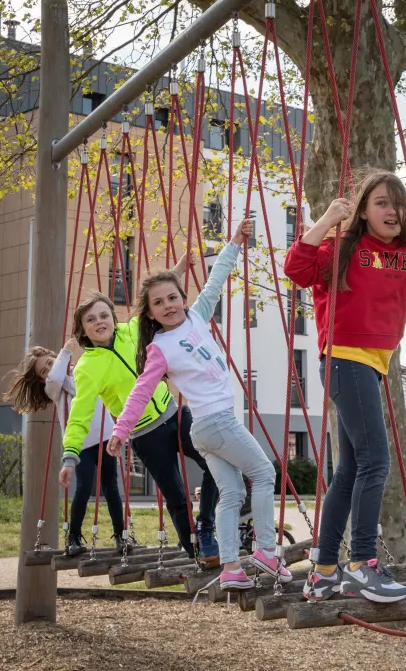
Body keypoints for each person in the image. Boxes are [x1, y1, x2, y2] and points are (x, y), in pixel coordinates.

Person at [284, 169, 406, 604]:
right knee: (376, 461)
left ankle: (324, 571)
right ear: (363, 209)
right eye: (382, 202)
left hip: (373, 366)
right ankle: (364, 564)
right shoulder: (342, 248)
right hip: (345, 358)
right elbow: (297, 269)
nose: (392, 211)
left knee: (349, 471)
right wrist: (327, 221)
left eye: (398, 204)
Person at [107, 218, 293, 592]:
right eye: (159, 303)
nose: (168, 305)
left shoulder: (196, 316)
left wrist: (235, 244)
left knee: (232, 493)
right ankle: (267, 552)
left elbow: (216, 279)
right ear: (150, 313)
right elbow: (141, 391)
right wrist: (121, 430)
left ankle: (230, 568)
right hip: (217, 423)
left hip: (203, 429)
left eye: (172, 297)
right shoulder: (159, 349)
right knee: (264, 474)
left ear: (181, 297)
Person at [59, 252, 221, 568]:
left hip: (175, 416)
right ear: (82, 330)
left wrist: (177, 270)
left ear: (113, 317)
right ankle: (199, 553)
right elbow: (79, 415)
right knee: (176, 496)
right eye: (90, 320)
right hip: (146, 436)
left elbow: (154, 299)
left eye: (104, 315)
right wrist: (70, 456)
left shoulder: (131, 331)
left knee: (219, 463)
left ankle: (206, 524)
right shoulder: (87, 368)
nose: (99, 322)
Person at [3, 341, 126, 556]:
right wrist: (65, 352)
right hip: (81, 444)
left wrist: (64, 361)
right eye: (44, 370)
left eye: (51, 363)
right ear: (42, 379)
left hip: (105, 436)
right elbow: (57, 380)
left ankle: (121, 536)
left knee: (111, 488)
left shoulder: (82, 371)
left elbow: (86, 386)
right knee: (84, 487)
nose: (50, 370)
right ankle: (73, 538)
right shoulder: (54, 389)